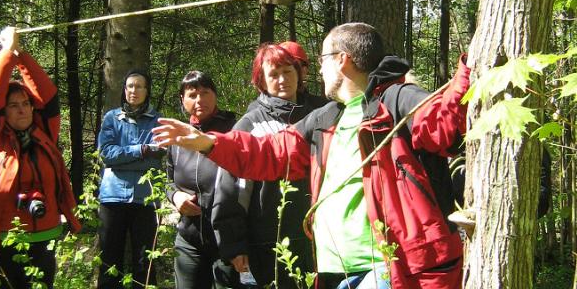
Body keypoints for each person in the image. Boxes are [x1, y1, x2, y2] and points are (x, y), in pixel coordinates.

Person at [152, 22, 470, 289]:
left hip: (388, 269)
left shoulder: (397, 100)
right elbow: (270, 152)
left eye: (321, 59)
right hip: (333, 272)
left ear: (342, 60)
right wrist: (208, 142)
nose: (316, 68)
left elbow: (446, 124)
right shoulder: (325, 118)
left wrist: (471, 67)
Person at [0, 27, 81, 288]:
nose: (22, 109)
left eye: (25, 103)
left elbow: (48, 95)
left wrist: (20, 53)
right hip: (1, 237)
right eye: (13, 105)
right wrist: (6, 53)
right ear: (3, 112)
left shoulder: (44, 132)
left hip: (45, 233)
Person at [213, 44, 319, 288]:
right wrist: (234, 244)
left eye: (288, 72)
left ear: (299, 73)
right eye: (273, 74)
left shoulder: (320, 114)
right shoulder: (250, 125)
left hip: (319, 239)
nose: (282, 80)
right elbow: (231, 190)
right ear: (261, 80)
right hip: (269, 243)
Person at [166, 71, 240, 289]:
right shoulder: (178, 137)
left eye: (205, 93)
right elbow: (169, 182)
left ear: (215, 95)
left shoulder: (233, 129)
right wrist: (176, 196)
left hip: (226, 240)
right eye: (192, 94)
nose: (199, 100)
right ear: (183, 100)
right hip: (189, 238)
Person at [97, 69, 165, 288]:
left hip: (145, 198)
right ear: (124, 90)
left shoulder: (158, 121)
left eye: (139, 86)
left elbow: (156, 158)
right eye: (130, 86)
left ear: (147, 90)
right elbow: (107, 154)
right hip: (112, 197)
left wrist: (126, 155)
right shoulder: (111, 118)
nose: (134, 91)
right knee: (109, 260)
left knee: (144, 261)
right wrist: (142, 150)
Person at [246, 41, 328, 112]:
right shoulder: (255, 113)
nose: (283, 79)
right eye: (274, 74)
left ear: (304, 70)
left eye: (287, 70)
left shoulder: (321, 107)